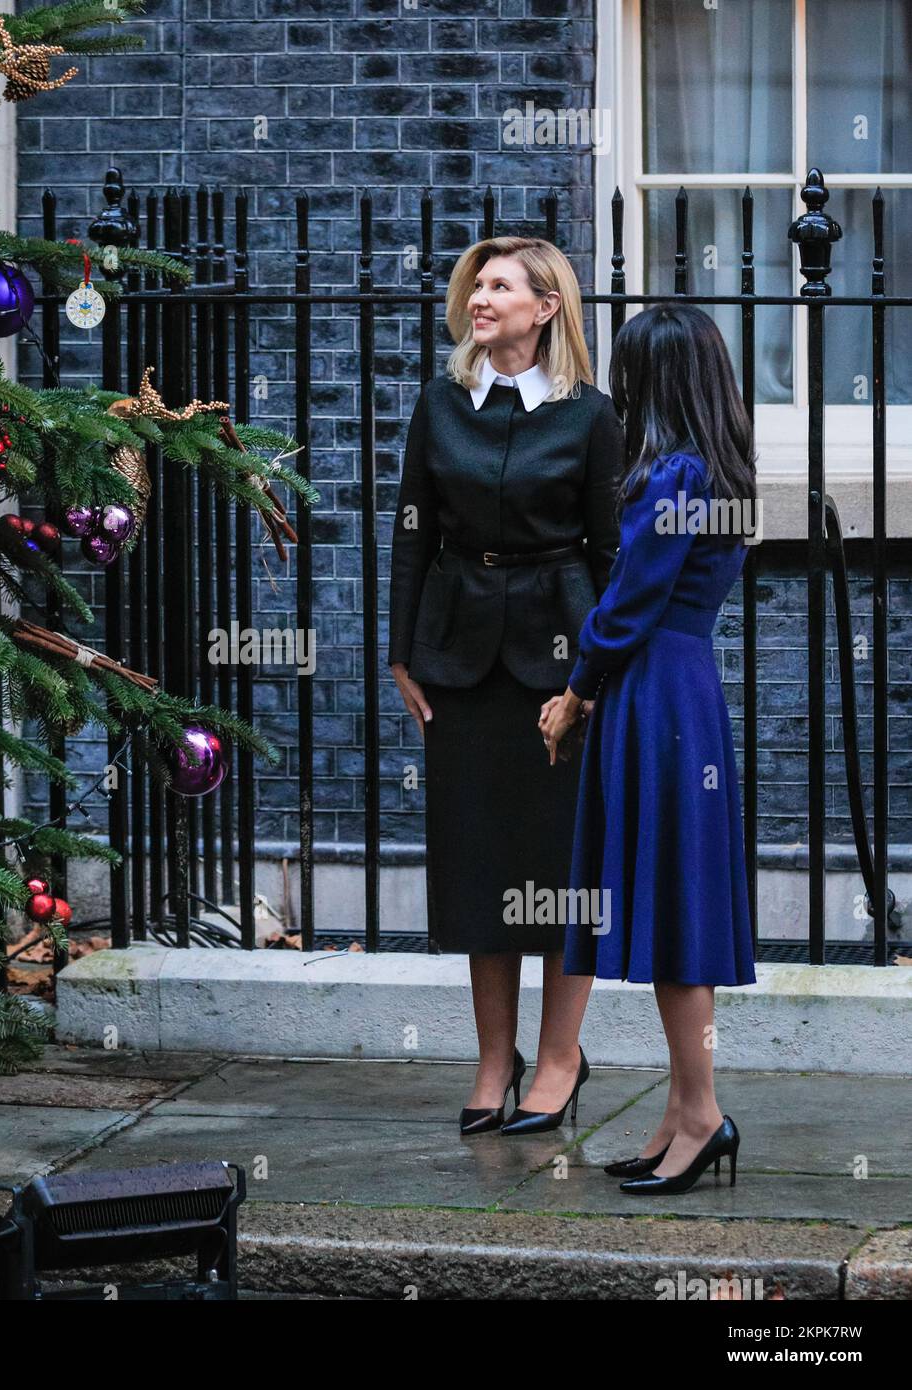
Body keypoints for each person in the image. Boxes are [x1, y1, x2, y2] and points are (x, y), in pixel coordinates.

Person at [388, 236, 622, 1136]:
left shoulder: (589, 415)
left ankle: (561, 1058)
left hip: (557, 660)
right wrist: (401, 653)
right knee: (481, 862)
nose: (479, 299)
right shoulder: (440, 405)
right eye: (475, 286)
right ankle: (496, 1059)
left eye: (499, 287)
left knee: (560, 868)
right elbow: (412, 530)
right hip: (457, 654)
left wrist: (598, 675)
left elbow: (611, 551)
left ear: (547, 307)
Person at [539, 303, 758, 1194]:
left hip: (654, 694)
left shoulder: (671, 475)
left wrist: (575, 691)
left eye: (626, 373)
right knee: (678, 910)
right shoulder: (720, 470)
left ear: (651, 379)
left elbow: (626, 605)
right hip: (685, 689)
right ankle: (680, 1112)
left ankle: (701, 1114)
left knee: (674, 918)